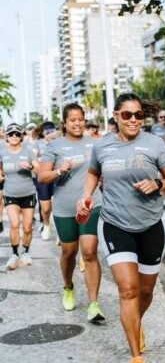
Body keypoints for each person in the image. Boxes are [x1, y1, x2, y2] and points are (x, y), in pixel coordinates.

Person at [76, 93, 165, 363]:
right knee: (128, 290)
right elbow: (93, 172)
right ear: (116, 116)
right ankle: (136, 355)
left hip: (150, 225)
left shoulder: (154, 143)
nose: (134, 120)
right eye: (127, 115)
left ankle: (136, 323)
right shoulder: (103, 146)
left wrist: (158, 184)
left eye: (138, 115)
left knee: (145, 291)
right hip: (115, 224)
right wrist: (86, 195)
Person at [38, 104, 104, 323]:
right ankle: (68, 286)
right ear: (64, 123)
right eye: (72, 120)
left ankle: (93, 304)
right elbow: (42, 177)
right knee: (69, 252)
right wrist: (59, 171)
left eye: (81, 119)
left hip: (91, 204)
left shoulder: (95, 144)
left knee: (89, 252)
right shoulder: (55, 146)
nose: (77, 123)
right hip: (65, 208)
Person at [1, 123, 39, 269]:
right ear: (7, 137)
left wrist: (30, 166)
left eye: (17, 134)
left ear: (21, 136)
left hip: (28, 193)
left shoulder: (28, 151)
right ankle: (15, 253)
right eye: (11, 134)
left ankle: (26, 252)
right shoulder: (2, 152)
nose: (14, 137)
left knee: (28, 227)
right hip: (10, 193)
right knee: (14, 224)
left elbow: (39, 168)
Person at [33, 121, 58, 240]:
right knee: (46, 208)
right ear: (43, 133)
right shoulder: (37, 144)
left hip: (56, 177)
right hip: (43, 179)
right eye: (48, 132)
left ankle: (59, 230)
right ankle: (46, 224)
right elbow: (34, 160)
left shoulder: (58, 143)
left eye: (53, 131)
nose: (51, 134)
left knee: (58, 205)